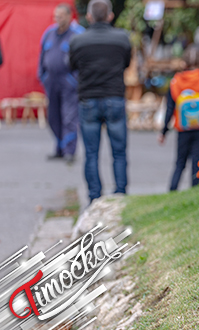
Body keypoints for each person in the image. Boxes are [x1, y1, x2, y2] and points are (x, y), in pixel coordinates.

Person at [69, 0, 132, 203]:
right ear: (110, 16)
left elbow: (72, 66)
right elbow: (127, 63)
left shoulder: (78, 41)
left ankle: (94, 197)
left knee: (91, 153)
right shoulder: (122, 38)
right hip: (114, 97)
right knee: (119, 152)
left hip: (88, 99)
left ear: (88, 17)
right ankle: (120, 194)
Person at [159, 47, 199, 191]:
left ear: (184, 63)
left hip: (182, 127)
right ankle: (194, 189)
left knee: (180, 161)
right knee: (197, 161)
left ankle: (173, 188)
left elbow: (170, 108)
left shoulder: (176, 82)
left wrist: (164, 131)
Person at [38, 3, 85, 162]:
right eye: (55, 16)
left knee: (69, 117)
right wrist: (42, 76)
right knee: (53, 117)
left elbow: (84, 60)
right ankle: (59, 147)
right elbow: (42, 56)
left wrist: (76, 80)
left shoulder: (78, 34)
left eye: (60, 16)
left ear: (69, 16)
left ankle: (69, 151)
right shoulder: (49, 33)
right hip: (51, 81)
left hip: (69, 82)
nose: (57, 19)